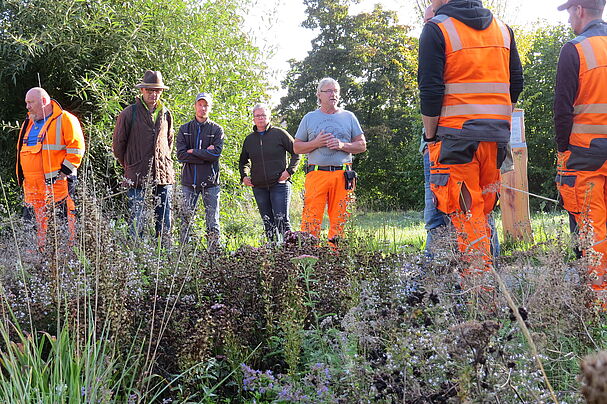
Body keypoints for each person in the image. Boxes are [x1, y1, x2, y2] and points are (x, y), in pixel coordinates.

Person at [418, 0, 523, 273]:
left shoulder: (437, 28)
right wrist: (496, 120)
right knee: (482, 212)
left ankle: (480, 296)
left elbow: (430, 91)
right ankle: (486, 285)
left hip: (455, 138)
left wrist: (430, 138)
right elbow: (517, 82)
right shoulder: (503, 29)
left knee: (467, 217)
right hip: (495, 137)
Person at [554, 0, 607, 294]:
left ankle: (598, 305)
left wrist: (564, 154)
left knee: (591, 232)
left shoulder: (575, 49)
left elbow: (562, 111)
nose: (569, 19)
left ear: (579, 10)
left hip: (584, 157)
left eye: (569, 13)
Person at [294, 77, 366, 244]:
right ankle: (310, 258)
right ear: (319, 94)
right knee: (311, 219)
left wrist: (342, 145)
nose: (333, 94)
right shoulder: (309, 118)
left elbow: (362, 145)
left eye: (336, 91)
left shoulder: (349, 117)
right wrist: (316, 143)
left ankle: (337, 260)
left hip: (343, 175)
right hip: (317, 174)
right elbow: (297, 147)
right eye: (329, 91)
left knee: (341, 220)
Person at [16, 87, 85, 248]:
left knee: (60, 224)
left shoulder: (65, 119)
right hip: (31, 188)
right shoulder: (28, 123)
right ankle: (35, 261)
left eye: (30, 102)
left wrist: (64, 173)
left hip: (57, 184)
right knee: (32, 227)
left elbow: (77, 149)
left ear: (44, 102)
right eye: (26, 103)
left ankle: (62, 260)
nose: (27, 106)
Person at [112, 70, 175, 241]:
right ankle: (137, 257)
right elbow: (118, 145)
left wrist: (162, 161)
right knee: (136, 222)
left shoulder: (166, 113)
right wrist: (130, 164)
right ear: (142, 91)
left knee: (164, 222)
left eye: (157, 90)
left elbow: (169, 142)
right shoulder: (129, 113)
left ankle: (164, 259)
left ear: (161, 92)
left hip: (162, 174)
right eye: (149, 90)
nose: (153, 94)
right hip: (136, 174)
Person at [239, 103, 300, 241]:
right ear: (253, 119)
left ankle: (290, 254)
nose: (260, 118)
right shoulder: (249, 140)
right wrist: (244, 176)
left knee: (282, 221)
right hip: (259, 187)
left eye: (263, 115)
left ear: (269, 117)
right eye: (257, 116)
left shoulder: (279, 133)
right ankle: (272, 256)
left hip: (279, 185)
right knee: (268, 223)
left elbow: (297, 152)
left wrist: (290, 171)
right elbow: (243, 161)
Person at [176, 92, 224, 248]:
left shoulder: (217, 130)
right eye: (200, 104)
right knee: (185, 220)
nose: (203, 108)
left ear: (210, 108)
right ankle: (184, 253)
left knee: (212, 220)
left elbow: (215, 154)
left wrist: (193, 151)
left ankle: (214, 254)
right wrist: (204, 152)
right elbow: (181, 155)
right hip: (189, 182)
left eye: (206, 105)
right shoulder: (184, 129)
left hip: (211, 183)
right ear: (195, 106)